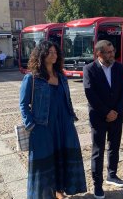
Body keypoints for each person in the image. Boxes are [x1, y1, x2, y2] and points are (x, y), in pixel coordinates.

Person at [19, 41, 86, 199]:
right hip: (43, 126)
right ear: (41, 55)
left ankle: (59, 190)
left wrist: (70, 118)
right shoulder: (32, 78)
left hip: (64, 124)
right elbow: (23, 105)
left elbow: (66, 99)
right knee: (44, 161)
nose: (53, 55)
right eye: (50, 52)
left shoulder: (61, 77)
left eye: (55, 52)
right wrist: (31, 125)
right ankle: (44, 195)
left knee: (63, 155)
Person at [83, 40, 123, 199]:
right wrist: (106, 112)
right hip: (99, 117)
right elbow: (90, 94)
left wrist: (116, 110)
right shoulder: (89, 69)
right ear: (99, 54)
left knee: (114, 147)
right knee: (98, 151)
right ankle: (97, 184)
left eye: (112, 51)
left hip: (117, 116)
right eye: (108, 52)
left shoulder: (119, 67)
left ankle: (112, 175)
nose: (112, 54)